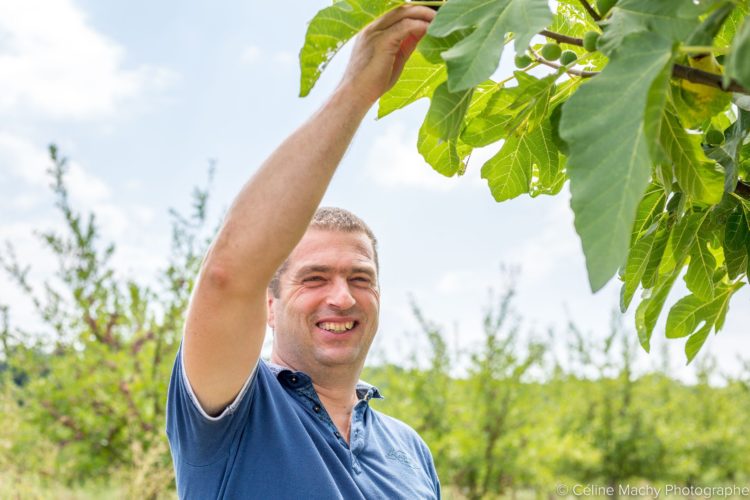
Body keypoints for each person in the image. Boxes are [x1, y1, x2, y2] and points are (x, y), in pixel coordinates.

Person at [165, 5, 441, 499]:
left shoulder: (410, 447)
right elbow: (228, 274)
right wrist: (357, 90)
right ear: (268, 306)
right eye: (313, 278)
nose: (342, 297)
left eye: (360, 278)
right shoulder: (231, 412)